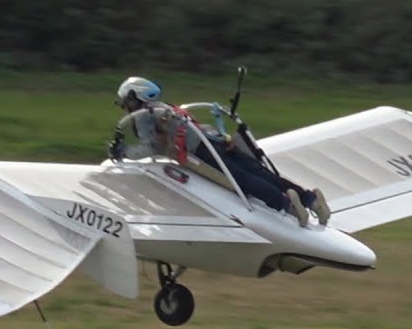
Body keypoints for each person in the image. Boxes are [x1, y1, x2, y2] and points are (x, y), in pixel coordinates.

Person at [107, 76, 330, 227]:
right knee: (258, 171)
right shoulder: (165, 107)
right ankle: (309, 198)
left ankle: (287, 205)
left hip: (198, 150)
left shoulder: (145, 116)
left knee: (240, 179)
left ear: (135, 98)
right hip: (215, 137)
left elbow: (151, 146)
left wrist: (123, 151)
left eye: (125, 101)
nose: (124, 106)